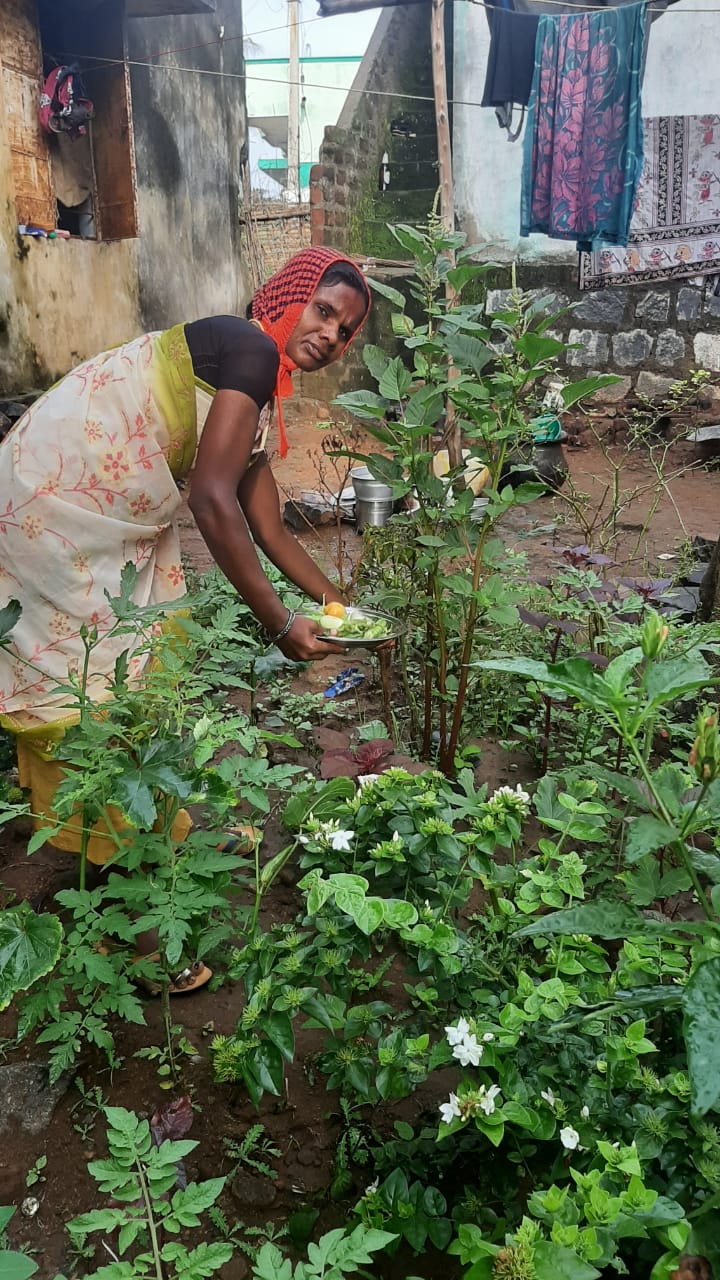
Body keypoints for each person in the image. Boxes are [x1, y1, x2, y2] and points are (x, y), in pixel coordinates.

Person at [0, 246, 370, 891]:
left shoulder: (251, 384)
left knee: (138, 659)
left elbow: (270, 526)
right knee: (86, 691)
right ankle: (125, 898)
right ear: (287, 297)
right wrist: (283, 625)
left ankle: (153, 830)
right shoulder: (250, 353)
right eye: (323, 311)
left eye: (344, 332)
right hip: (53, 516)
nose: (329, 335)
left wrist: (345, 608)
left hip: (84, 516)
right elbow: (210, 500)